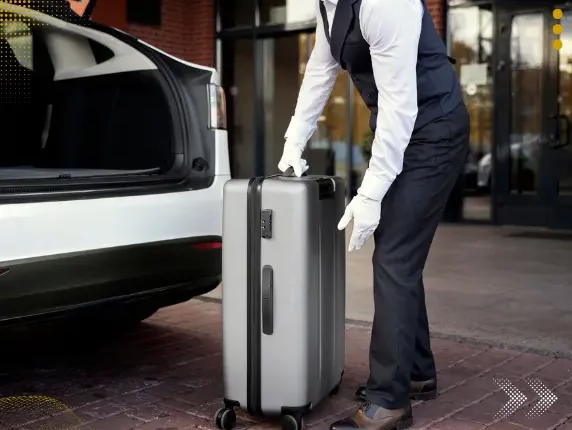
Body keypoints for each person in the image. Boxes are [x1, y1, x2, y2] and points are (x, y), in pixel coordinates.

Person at [277, 0, 469, 428]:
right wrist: (295, 140)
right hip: (403, 131)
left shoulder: (385, 3)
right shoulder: (328, 7)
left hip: (434, 131)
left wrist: (370, 193)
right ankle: (416, 372)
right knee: (397, 253)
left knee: (394, 257)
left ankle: (389, 401)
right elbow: (320, 71)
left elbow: (400, 106)